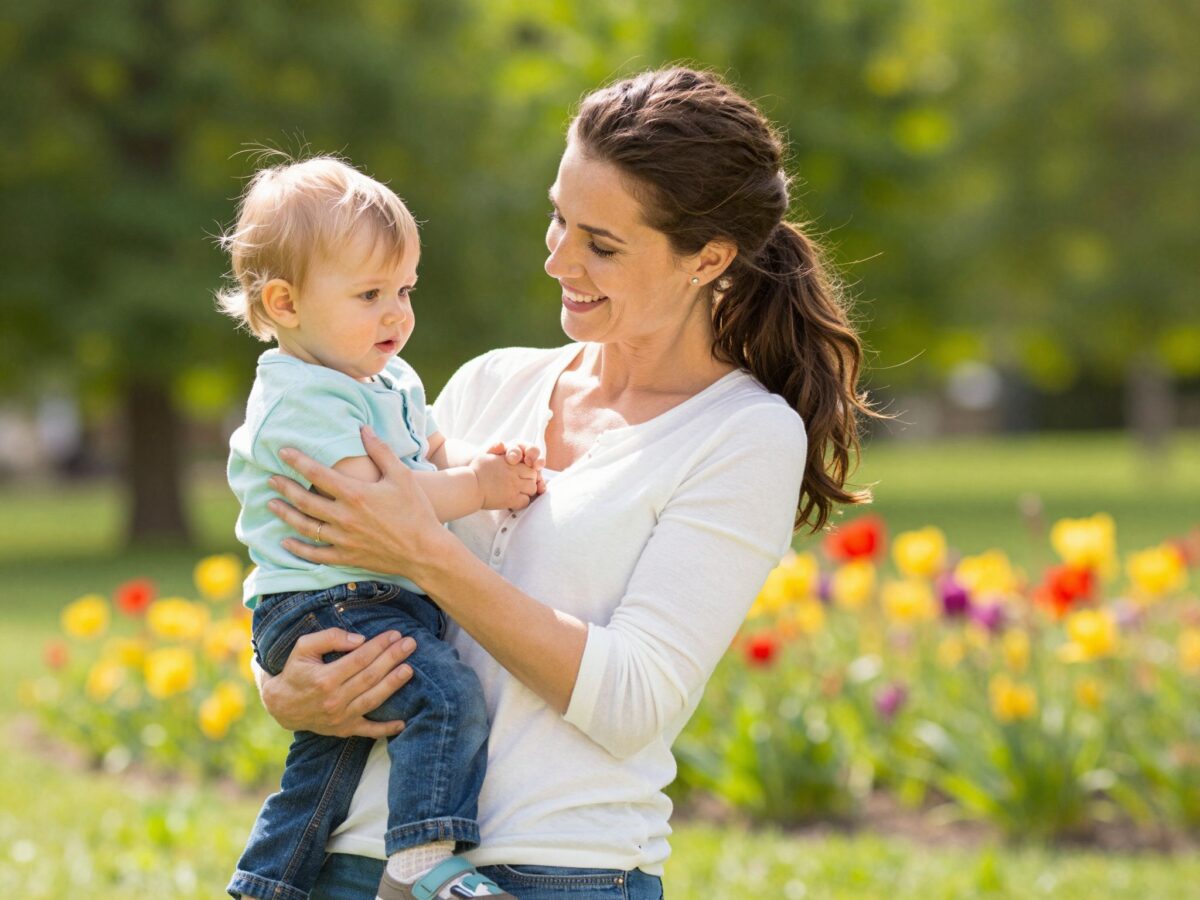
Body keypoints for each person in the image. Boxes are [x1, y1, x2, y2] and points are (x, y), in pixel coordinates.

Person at [256, 67, 876, 899]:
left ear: (707, 259)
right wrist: (281, 686)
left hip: (557, 872)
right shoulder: (488, 384)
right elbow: (320, 564)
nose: (557, 258)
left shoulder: (741, 435)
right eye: (558, 218)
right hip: (352, 863)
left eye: (601, 244)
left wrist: (426, 553)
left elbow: (634, 701)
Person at [217, 156, 540, 900]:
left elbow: (430, 451)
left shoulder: (387, 378)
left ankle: (265, 885)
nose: (397, 314)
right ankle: (422, 860)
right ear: (285, 303)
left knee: (325, 769)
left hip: (364, 600)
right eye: (370, 295)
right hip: (324, 605)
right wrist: (480, 489)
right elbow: (382, 504)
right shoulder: (300, 398)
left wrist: (479, 460)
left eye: (405, 290)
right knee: (445, 697)